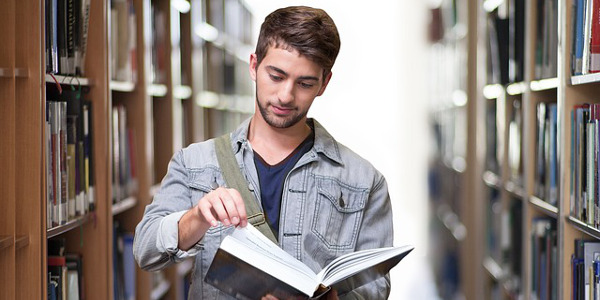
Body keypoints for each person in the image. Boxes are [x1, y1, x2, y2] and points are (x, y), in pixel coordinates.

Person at [133, 5, 394, 299]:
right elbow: (145, 251)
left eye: (305, 83)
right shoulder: (194, 163)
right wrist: (197, 218)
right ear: (254, 65)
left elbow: (376, 289)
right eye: (276, 75)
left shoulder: (365, 181)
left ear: (324, 84)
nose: (286, 95)